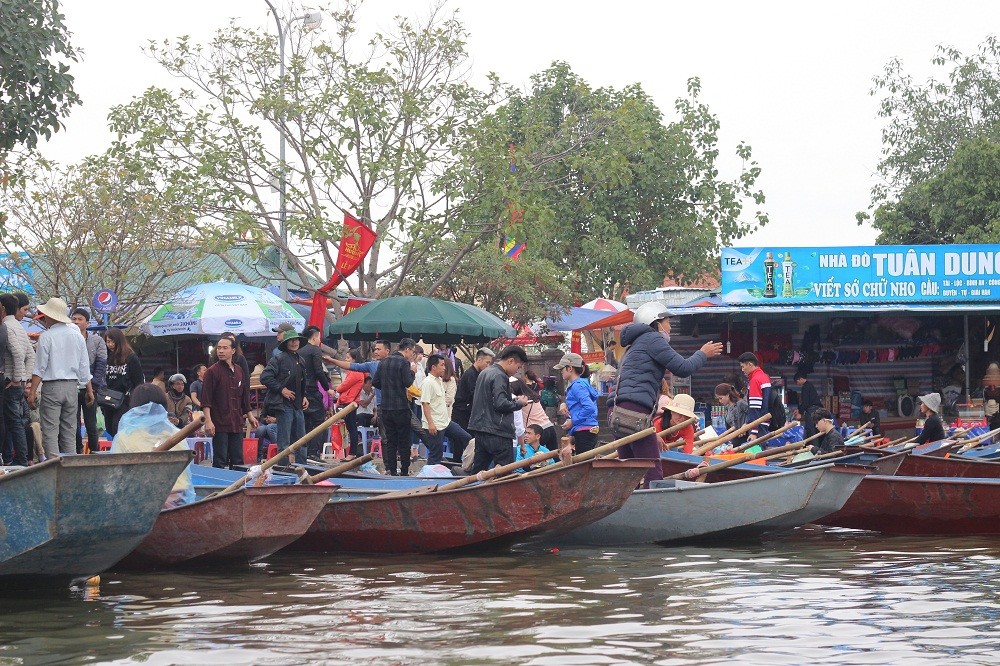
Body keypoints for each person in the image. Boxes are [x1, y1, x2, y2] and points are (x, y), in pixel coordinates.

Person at [610, 302, 722, 488]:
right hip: (635, 412)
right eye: (668, 322)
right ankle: (653, 512)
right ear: (656, 322)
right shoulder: (653, 339)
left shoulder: (634, 346)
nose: (670, 327)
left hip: (617, 413)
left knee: (628, 472)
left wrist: (652, 433)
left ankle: (629, 508)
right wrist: (702, 353)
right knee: (653, 471)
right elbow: (683, 368)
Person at [111, 383, 195, 508]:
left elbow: (116, 480)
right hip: (179, 499)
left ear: (135, 408)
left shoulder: (125, 437)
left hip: (144, 500)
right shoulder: (176, 435)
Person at [28, 297, 94, 457]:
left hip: (52, 387)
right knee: (69, 430)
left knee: (50, 431)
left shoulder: (47, 336)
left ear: (50, 316)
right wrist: (89, 391)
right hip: (72, 387)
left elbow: (39, 368)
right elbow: (84, 366)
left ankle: (53, 465)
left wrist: (32, 392)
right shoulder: (77, 336)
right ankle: (70, 466)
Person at [468, 345, 530, 472]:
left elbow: (490, 400)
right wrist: (519, 404)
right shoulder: (500, 376)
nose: (516, 371)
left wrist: (514, 401)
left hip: (481, 429)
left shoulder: (485, 372)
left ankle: (473, 490)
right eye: (518, 367)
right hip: (498, 431)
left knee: (479, 470)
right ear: (511, 361)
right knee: (504, 471)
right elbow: (500, 403)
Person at [202, 334, 257, 469]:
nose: (221, 351)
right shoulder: (212, 372)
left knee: (238, 459)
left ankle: (238, 487)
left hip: (236, 421)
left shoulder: (239, 370)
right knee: (220, 458)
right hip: (219, 422)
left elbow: (244, 396)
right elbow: (206, 400)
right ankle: (220, 488)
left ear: (233, 351)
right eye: (219, 348)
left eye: (225, 348)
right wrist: (208, 421)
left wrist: (250, 415)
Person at [261, 329, 310, 465]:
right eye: (291, 340)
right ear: (286, 343)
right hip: (283, 406)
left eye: (296, 340)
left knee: (302, 440)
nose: (294, 343)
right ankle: (283, 468)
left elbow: (302, 382)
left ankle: (303, 468)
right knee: (284, 442)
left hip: (298, 405)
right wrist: (281, 389)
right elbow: (265, 377)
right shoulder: (279, 358)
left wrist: (304, 396)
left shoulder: (301, 360)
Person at [372, 338, 416, 475]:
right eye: (413, 352)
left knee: (390, 441)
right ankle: (404, 470)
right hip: (401, 407)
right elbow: (408, 383)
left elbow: (375, 382)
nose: (412, 355)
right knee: (403, 441)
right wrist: (413, 372)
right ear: (407, 349)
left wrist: (386, 387)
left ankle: (391, 470)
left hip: (386, 408)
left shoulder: (383, 362)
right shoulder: (404, 362)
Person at [421, 353, 472, 466]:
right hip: (435, 425)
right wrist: (430, 424)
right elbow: (425, 404)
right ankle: (431, 477)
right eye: (442, 365)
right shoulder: (428, 382)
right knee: (435, 455)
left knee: (467, 438)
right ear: (434, 367)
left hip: (445, 422)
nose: (444, 368)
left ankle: (465, 463)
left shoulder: (438, 380)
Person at [1, 292, 32, 466]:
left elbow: (19, 354)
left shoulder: (8, 327)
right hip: (16, 384)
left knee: (13, 423)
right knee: (14, 422)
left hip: (9, 383)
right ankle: (14, 458)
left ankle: (19, 459)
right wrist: (24, 379)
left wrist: (16, 378)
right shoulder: (19, 327)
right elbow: (31, 355)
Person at [71, 307, 107, 454]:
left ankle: (94, 452)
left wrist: (94, 386)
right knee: (73, 424)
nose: (76, 322)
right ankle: (77, 451)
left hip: (91, 388)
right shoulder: (68, 339)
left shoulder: (97, 340)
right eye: (74, 319)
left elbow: (101, 364)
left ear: (87, 322)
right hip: (72, 386)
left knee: (91, 423)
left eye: (80, 319)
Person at [102, 327, 145, 437]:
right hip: (108, 399)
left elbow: (138, 380)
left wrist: (135, 400)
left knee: (118, 426)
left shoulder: (130, 357)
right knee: (109, 427)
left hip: (124, 399)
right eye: (108, 341)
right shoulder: (106, 356)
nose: (110, 344)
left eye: (112, 341)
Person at [554, 352, 599, 454]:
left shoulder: (577, 386)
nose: (561, 371)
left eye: (562, 368)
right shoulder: (581, 383)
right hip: (585, 429)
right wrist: (564, 404)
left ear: (570, 368)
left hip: (584, 430)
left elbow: (589, 408)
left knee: (583, 466)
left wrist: (573, 421)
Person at [299, 326, 332, 460]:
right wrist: (327, 387)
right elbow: (319, 371)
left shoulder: (299, 351)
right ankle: (313, 452)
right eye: (319, 337)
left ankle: (304, 453)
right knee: (319, 422)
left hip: (301, 391)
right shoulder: (315, 350)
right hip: (312, 390)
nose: (319, 340)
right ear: (314, 337)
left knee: (305, 423)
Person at [453, 347, 494, 431]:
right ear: (479, 360)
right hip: (462, 415)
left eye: (490, 363)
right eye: (487, 362)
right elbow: (477, 394)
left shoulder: (478, 374)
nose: (488, 366)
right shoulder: (470, 374)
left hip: (468, 414)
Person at [336, 349, 367, 458]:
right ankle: (352, 452)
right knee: (351, 427)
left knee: (352, 428)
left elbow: (343, 386)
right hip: (349, 401)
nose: (346, 359)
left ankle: (353, 453)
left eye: (348, 357)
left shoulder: (355, 372)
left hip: (350, 402)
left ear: (354, 359)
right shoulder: (355, 372)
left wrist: (337, 388)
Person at [738, 352, 772, 442]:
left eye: (743, 366)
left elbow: (755, 408)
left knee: (757, 454)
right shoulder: (764, 377)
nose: (742, 370)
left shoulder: (755, 380)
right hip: (764, 423)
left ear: (750, 364)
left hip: (758, 426)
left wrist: (754, 431)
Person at [794, 371, 822, 439]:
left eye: (797, 382)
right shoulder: (810, 385)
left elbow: (805, 403)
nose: (797, 384)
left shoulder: (805, 387)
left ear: (800, 379)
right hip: (818, 410)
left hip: (812, 411)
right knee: (816, 430)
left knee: (811, 430)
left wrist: (799, 411)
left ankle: (812, 446)